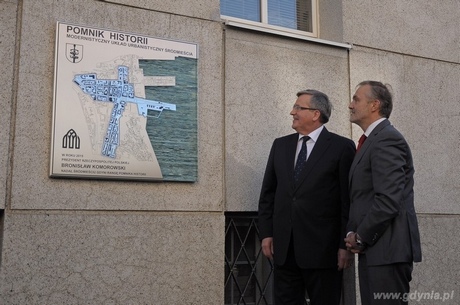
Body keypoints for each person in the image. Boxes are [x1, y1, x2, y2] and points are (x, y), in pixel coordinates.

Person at [258, 89, 356, 305]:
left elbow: (347, 201)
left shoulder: (341, 147)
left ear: (315, 114)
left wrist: (344, 245)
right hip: (284, 250)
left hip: (324, 252)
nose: (292, 112)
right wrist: (266, 233)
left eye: (298, 108)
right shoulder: (280, 145)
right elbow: (268, 194)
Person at [344, 81, 422, 305]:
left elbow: (388, 200)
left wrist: (360, 236)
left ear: (374, 105)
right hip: (375, 249)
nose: (350, 105)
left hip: (388, 251)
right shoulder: (371, 140)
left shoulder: (387, 138)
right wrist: (352, 232)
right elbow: (361, 197)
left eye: (356, 99)